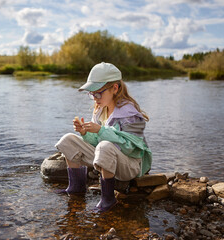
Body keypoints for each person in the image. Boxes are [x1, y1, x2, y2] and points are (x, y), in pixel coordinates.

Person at [55, 62, 152, 212]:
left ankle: (108, 199)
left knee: (105, 146)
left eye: (98, 93)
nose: (95, 98)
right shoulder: (100, 110)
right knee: (69, 140)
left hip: (129, 165)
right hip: (107, 158)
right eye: (92, 94)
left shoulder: (130, 114)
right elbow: (97, 142)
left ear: (114, 88)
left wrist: (100, 131)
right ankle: (76, 188)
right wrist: (86, 133)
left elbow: (132, 149)